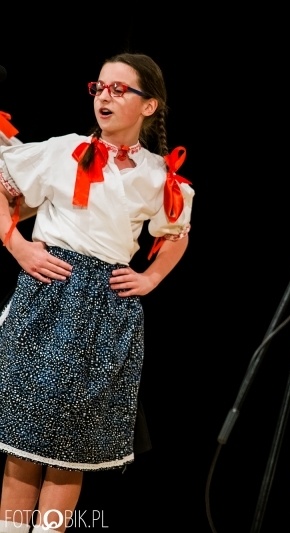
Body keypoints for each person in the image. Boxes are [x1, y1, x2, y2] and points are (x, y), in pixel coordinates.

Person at [0, 52, 194, 533]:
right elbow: (5, 191)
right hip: (48, 294)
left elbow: (176, 233)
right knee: (24, 443)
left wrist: (149, 279)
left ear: (149, 106)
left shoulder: (156, 175)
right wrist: (18, 246)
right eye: (99, 87)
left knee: (70, 449)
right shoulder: (63, 149)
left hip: (105, 310)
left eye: (118, 89)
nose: (104, 96)